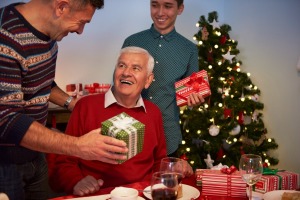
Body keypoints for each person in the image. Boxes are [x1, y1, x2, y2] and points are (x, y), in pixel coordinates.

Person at [0, 1, 128, 199]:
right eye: (81, 22)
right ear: (61, 7)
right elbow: (7, 121)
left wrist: (73, 103)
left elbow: (42, 83)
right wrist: (79, 146)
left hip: (35, 156)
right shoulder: (5, 37)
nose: (80, 31)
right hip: (5, 164)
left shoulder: (49, 36)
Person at [49, 46, 193, 196]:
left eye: (135, 68)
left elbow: (159, 162)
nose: (126, 73)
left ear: (148, 80)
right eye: (121, 65)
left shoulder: (153, 112)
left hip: (140, 194)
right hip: (98, 195)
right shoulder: (86, 106)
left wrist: (173, 167)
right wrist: (76, 181)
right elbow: (65, 161)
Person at [122, 0, 204, 157]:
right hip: (130, 131)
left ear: (180, 9)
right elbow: (119, 85)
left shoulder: (189, 49)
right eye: (154, 5)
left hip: (168, 135)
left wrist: (195, 100)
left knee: (164, 182)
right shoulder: (132, 42)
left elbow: (192, 93)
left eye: (167, 6)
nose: (160, 12)